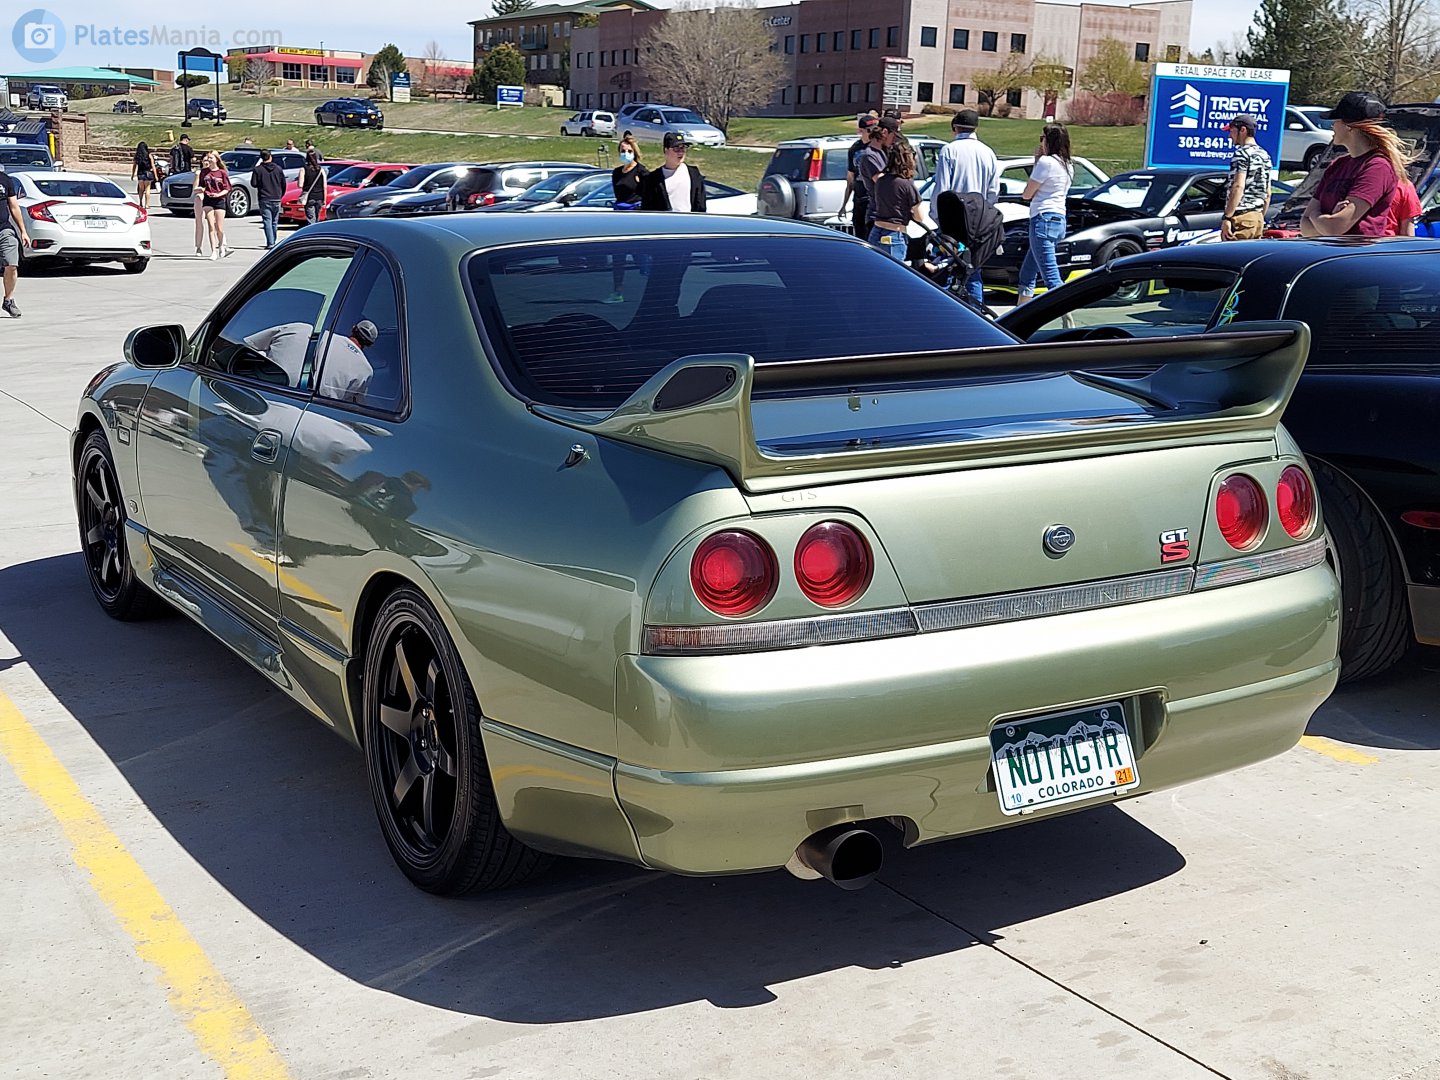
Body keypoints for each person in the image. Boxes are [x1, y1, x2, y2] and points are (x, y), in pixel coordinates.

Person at [1301, 92, 1409, 238]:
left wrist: (1315, 216)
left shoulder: (1378, 167)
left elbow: (1335, 227)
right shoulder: (1337, 165)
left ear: (1349, 126)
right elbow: (1304, 227)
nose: (1332, 125)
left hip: (1356, 257)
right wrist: (1326, 220)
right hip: (1327, 254)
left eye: (1336, 120)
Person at [929, 109, 1000, 304]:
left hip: (952, 219)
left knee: (946, 267)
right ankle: (977, 312)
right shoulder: (988, 152)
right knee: (972, 268)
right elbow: (993, 191)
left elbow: (942, 188)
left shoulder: (949, 150)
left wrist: (936, 216)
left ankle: (943, 311)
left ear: (954, 127)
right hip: (979, 221)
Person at [243, 319, 375, 400]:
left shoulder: (299, 329)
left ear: (353, 329)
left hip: (269, 395)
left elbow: (249, 345)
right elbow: (356, 405)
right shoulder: (366, 370)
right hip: (316, 414)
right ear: (369, 345)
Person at [1016, 123, 1074, 302]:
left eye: (1042, 139)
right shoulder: (1068, 164)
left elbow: (1027, 194)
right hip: (1058, 220)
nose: (1040, 143)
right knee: (1028, 271)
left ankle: (1066, 312)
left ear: (1049, 141)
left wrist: (1037, 161)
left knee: (1050, 275)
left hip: (1043, 219)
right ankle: (1021, 313)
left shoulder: (1046, 162)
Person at [868, 138, 934, 261]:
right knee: (893, 275)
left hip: (876, 231)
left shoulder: (880, 181)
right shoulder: (906, 184)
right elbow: (919, 216)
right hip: (894, 235)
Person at [607, 135, 648, 303]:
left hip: (636, 216)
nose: (626, 154)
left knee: (640, 254)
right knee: (618, 255)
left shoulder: (641, 171)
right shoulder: (617, 173)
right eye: (623, 151)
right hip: (620, 216)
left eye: (629, 151)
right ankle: (617, 291)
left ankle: (647, 287)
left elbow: (649, 194)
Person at [1220, 114, 1273, 241]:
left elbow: (1238, 186)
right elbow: (1268, 193)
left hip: (1241, 217)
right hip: (1258, 218)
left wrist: (1227, 218)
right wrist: (1259, 216)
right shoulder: (1265, 155)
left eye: (1232, 131)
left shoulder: (1241, 154)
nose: (1229, 136)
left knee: (1231, 258)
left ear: (1242, 130)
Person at [638, 132, 706, 212]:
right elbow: (647, 208)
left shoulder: (694, 174)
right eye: (676, 148)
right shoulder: (653, 179)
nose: (680, 152)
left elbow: (701, 204)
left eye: (683, 148)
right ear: (666, 150)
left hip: (690, 222)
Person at [857, 116, 898, 237]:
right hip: (877, 216)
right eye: (893, 136)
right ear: (885, 133)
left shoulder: (884, 152)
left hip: (888, 215)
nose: (894, 140)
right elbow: (882, 182)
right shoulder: (870, 156)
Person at [839, 115, 879, 237]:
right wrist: (844, 205)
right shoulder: (855, 149)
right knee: (860, 232)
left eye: (874, 129)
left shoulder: (879, 147)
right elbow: (850, 178)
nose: (872, 132)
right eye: (869, 130)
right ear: (860, 131)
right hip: (860, 196)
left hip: (875, 199)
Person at [1, 168, 32, 318]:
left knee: (12, 265)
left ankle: (8, 300)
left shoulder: (5, 180)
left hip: (3, 230)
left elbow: (14, 206)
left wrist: (23, 231)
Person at [197, 151, 232, 259]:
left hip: (219, 200)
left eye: (211, 158)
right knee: (211, 226)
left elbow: (227, 188)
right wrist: (200, 189)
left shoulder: (222, 173)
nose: (209, 160)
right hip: (208, 200)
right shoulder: (204, 172)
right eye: (208, 158)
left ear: (216, 159)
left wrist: (218, 194)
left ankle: (221, 245)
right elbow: (202, 185)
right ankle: (213, 251)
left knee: (219, 228)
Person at [251, 149, 287, 250]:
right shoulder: (278, 169)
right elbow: (283, 183)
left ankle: (270, 242)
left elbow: (253, 183)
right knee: (274, 222)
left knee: (267, 220)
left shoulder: (258, 169)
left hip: (264, 197)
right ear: (270, 156)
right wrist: (281, 194)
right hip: (276, 197)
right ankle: (273, 241)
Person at [300, 146, 326, 225]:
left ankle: (311, 233)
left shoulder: (304, 169)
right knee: (317, 217)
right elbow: (324, 186)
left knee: (311, 218)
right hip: (320, 196)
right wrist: (324, 199)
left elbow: (300, 185)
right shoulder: (321, 169)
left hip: (310, 196)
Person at [132, 141, 156, 210]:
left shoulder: (137, 156)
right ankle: (147, 204)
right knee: (147, 189)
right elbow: (153, 165)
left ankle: (140, 203)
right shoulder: (149, 155)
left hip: (140, 173)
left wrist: (133, 174)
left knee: (141, 189)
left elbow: (134, 166)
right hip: (147, 173)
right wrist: (155, 175)